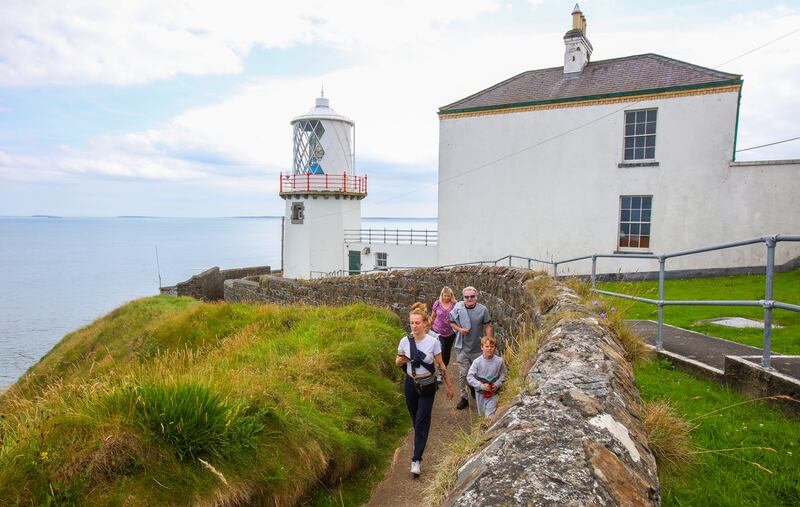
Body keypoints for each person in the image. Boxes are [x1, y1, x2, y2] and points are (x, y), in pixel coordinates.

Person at [396, 302, 454, 476]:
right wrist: (400, 361)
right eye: (412, 323)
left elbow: (441, 366)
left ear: (425, 324)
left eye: (417, 323)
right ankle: (419, 439)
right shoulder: (404, 341)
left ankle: (416, 459)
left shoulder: (433, 342)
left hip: (427, 385)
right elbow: (398, 360)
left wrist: (449, 387)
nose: (414, 326)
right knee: (416, 421)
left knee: (422, 421)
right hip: (410, 384)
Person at [450, 286, 493, 410]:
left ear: (476, 297)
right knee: (464, 374)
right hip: (462, 348)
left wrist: (489, 342)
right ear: (463, 298)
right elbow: (451, 322)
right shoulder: (458, 308)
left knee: (478, 374)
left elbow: (488, 326)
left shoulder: (482, 309)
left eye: (472, 296)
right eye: (466, 297)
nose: (469, 299)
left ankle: (475, 389)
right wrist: (460, 329)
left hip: (478, 349)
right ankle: (464, 398)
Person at [467, 336, 507, 418]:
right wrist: (481, 386)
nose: (489, 349)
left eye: (492, 347)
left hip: (493, 393)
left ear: (495, 348)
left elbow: (504, 374)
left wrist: (497, 384)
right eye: (487, 346)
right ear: (482, 347)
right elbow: (470, 377)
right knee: (482, 415)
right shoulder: (477, 362)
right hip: (480, 393)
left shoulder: (499, 361)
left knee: (489, 416)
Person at [430, 286, 457, 382]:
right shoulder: (437, 303)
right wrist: (428, 328)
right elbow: (433, 317)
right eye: (445, 296)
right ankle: (440, 374)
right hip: (438, 332)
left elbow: (458, 317)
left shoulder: (455, 304)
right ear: (442, 295)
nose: (446, 298)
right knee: (442, 351)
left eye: (448, 296)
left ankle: (444, 371)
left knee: (447, 354)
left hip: (450, 333)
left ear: (451, 296)